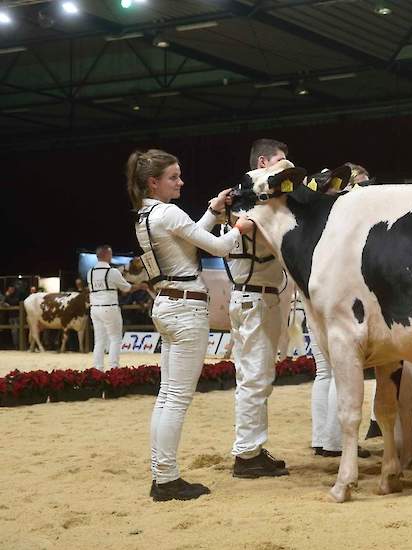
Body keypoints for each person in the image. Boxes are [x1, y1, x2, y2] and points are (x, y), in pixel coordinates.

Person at [127, 148, 250, 502]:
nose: (181, 182)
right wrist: (240, 225)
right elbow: (219, 247)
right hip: (186, 308)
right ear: (154, 182)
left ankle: (162, 473)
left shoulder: (147, 215)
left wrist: (212, 212)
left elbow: (189, 240)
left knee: (167, 396)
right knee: (177, 398)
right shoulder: (168, 212)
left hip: (167, 303)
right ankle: (165, 479)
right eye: (173, 177)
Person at [221, 138, 291, 478]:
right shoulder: (252, 205)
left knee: (254, 376)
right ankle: (247, 456)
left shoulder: (239, 201)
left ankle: (252, 449)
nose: (285, 168)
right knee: (255, 377)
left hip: (253, 295)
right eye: (280, 161)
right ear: (262, 163)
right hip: (255, 296)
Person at [88, 244, 145, 371]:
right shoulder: (112, 272)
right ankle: (113, 368)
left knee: (99, 340)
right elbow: (127, 288)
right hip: (109, 308)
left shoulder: (90, 272)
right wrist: (140, 286)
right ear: (107, 255)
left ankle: (98, 368)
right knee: (115, 338)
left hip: (95, 309)